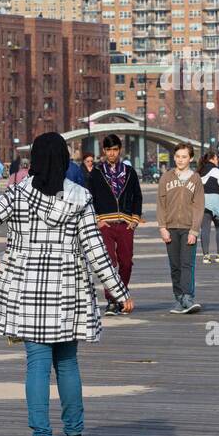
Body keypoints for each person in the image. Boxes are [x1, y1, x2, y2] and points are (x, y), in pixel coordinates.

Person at [0, 132, 134, 436]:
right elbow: (95, 250)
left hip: (26, 288)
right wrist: (118, 291)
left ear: (34, 160)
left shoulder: (16, 195)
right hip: (67, 288)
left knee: (37, 364)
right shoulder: (80, 197)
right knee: (68, 364)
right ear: (63, 161)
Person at [86, 133, 143, 313]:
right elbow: (89, 198)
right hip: (105, 224)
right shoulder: (96, 173)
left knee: (126, 262)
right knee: (109, 262)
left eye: (115, 150)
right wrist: (97, 220)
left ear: (120, 150)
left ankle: (121, 292)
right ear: (104, 151)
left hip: (125, 224)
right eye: (108, 150)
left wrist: (134, 219)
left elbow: (137, 196)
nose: (112, 153)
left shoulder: (129, 172)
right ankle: (112, 299)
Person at [156, 143, 204, 314]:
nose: (180, 160)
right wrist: (162, 227)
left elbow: (199, 206)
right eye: (178, 156)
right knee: (175, 265)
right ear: (174, 157)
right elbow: (161, 205)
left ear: (190, 158)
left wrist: (194, 230)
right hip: (170, 228)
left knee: (187, 264)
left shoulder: (195, 178)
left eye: (184, 157)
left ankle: (188, 297)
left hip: (188, 229)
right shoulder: (166, 178)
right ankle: (178, 298)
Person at [198, 150, 219, 264]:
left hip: (202, 201)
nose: (218, 161)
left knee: (205, 228)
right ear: (212, 159)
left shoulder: (199, 171)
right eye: (216, 158)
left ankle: (206, 256)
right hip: (216, 201)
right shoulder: (217, 171)